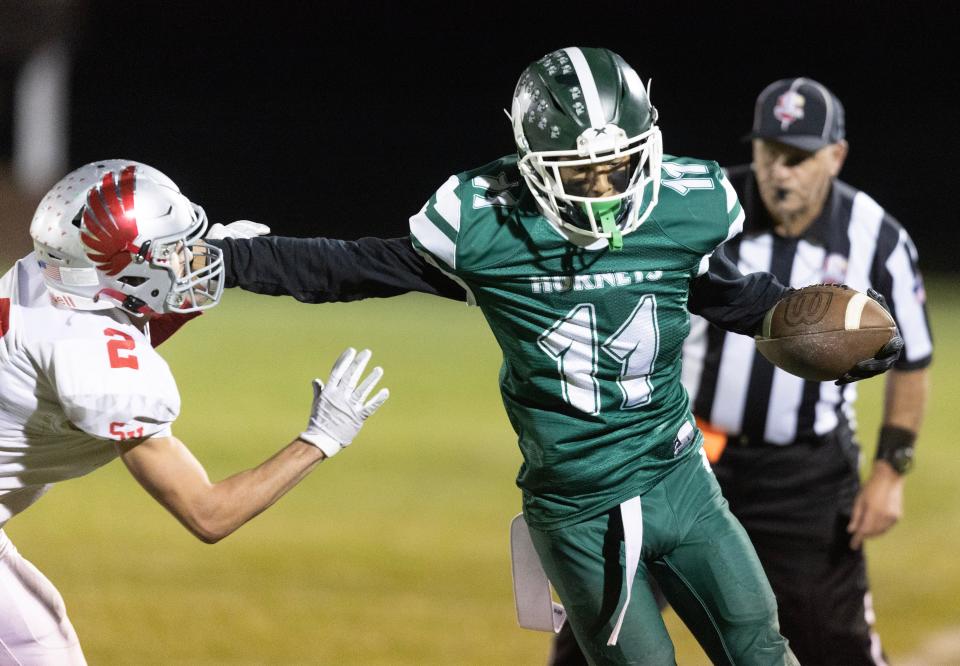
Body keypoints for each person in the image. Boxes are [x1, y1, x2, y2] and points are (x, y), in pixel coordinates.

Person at [208, 49, 901, 665]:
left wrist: (820, 325)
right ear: (534, 166)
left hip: (680, 475)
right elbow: (354, 269)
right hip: (580, 506)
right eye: (584, 171)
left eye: (621, 164)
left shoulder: (679, 208)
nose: (606, 188)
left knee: (761, 646)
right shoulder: (489, 228)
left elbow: (720, 293)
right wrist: (227, 260)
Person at [0, 160, 389, 663]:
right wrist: (321, 438)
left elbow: (119, 318)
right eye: (174, 251)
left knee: (40, 643)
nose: (192, 258)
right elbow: (208, 513)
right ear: (125, 267)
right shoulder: (92, 358)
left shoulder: (50, 277)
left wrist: (188, 292)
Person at [676, 78, 932, 665]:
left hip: (802, 477)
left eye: (799, 157)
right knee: (602, 626)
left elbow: (913, 361)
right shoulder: (706, 213)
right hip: (684, 457)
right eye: (770, 152)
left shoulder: (878, 236)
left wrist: (891, 470)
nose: (781, 171)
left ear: (836, 156)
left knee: (835, 647)